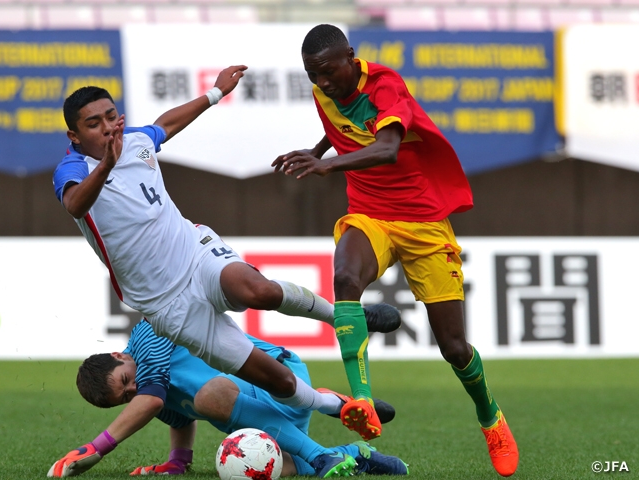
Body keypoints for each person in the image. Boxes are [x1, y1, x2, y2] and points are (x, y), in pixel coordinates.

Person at [52, 66, 400, 474]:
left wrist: (215, 93)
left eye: (111, 117)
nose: (107, 128)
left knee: (259, 292)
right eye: (93, 124)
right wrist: (105, 167)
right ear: (75, 137)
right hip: (165, 305)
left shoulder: (136, 141)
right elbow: (75, 206)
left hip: (194, 253)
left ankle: (344, 315)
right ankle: (335, 407)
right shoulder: (72, 169)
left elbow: (165, 125)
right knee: (279, 383)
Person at [271, 24, 518, 476]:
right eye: (312, 75)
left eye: (328, 71)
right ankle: (361, 398)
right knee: (345, 278)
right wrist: (312, 151)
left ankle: (491, 417)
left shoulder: (385, 86)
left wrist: (325, 166)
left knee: (454, 347)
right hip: (369, 211)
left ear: (351, 56)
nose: (322, 83)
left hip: (422, 220)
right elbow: (341, 127)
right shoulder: (323, 89)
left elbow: (386, 148)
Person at [47, 320, 408, 478]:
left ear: (118, 355)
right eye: (125, 396)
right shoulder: (148, 394)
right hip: (269, 418)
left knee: (211, 397)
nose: (133, 391)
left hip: (280, 375)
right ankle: (354, 454)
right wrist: (177, 462)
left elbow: (157, 401)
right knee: (252, 468)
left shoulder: (147, 333)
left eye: (126, 380)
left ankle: (320, 441)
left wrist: (96, 447)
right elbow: (179, 418)